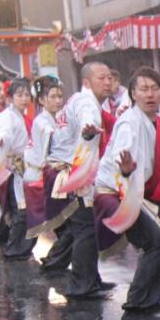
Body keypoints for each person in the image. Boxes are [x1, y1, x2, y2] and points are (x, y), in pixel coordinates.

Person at [92, 67, 160, 320]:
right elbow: (122, 154)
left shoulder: (156, 121)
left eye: (154, 89)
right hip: (116, 193)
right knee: (158, 243)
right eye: (143, 89)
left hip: (131, 191)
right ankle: (135, 310)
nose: (149, 94)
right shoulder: (130, 121)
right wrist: (126, 168)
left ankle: (149, 299)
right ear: (132, 94)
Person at [48, 61, 115, 300]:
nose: (107, 82)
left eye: (109, 77)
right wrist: (88, 129)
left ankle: (90, 280)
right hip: (74, 174)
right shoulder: (86, 102)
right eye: (101, 78)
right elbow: (88, 121)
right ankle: (81, 286)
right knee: (85, 231)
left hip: (72, 172)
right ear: (87, 82)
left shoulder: (80, 99)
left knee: (85, 230)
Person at [23, 77, 71, 269]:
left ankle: (54, 261)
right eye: (53, 96)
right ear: (42, 100)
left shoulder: (54, 119)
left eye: (60, 96)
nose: (58, 100)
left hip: (49, 176)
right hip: (41, 178)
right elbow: (51, 151)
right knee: (65, 225)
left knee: (65, 225)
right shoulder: (43, 123)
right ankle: (53, 262)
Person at [0, 78, 34, 259]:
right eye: (20, 95)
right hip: (11, 170)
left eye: (27, 95)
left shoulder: (20, 116)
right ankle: (14, 249)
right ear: (10, 98)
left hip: (20, 168)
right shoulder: (7, 116)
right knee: (20, 209)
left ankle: (15, 247)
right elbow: (4, 133)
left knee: (19, 208)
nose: (24, 98)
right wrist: (1, 140)